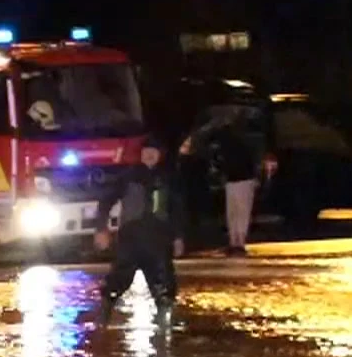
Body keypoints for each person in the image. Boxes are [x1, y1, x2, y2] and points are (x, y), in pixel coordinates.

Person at [91, 135, 184, 323]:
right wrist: (101, 229)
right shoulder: (128, 177)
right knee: (116, 281)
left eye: (154, 152)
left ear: (160, 155)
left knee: (164, 284)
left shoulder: (168, 180)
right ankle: (103, 317)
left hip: (159, 240)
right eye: (146, 151)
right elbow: (106, 201)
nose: (149, 155)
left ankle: (164, 321)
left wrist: (178, 237)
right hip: (131, 239)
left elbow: (178, 210)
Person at [187, 115, 262, 257]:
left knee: (234, 211)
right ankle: (238, 242)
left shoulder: (223, 142)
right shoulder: (242, 140)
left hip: (235, 179)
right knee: (240, 211)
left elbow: (222, 160)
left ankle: (235, 242)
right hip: (242, 178)